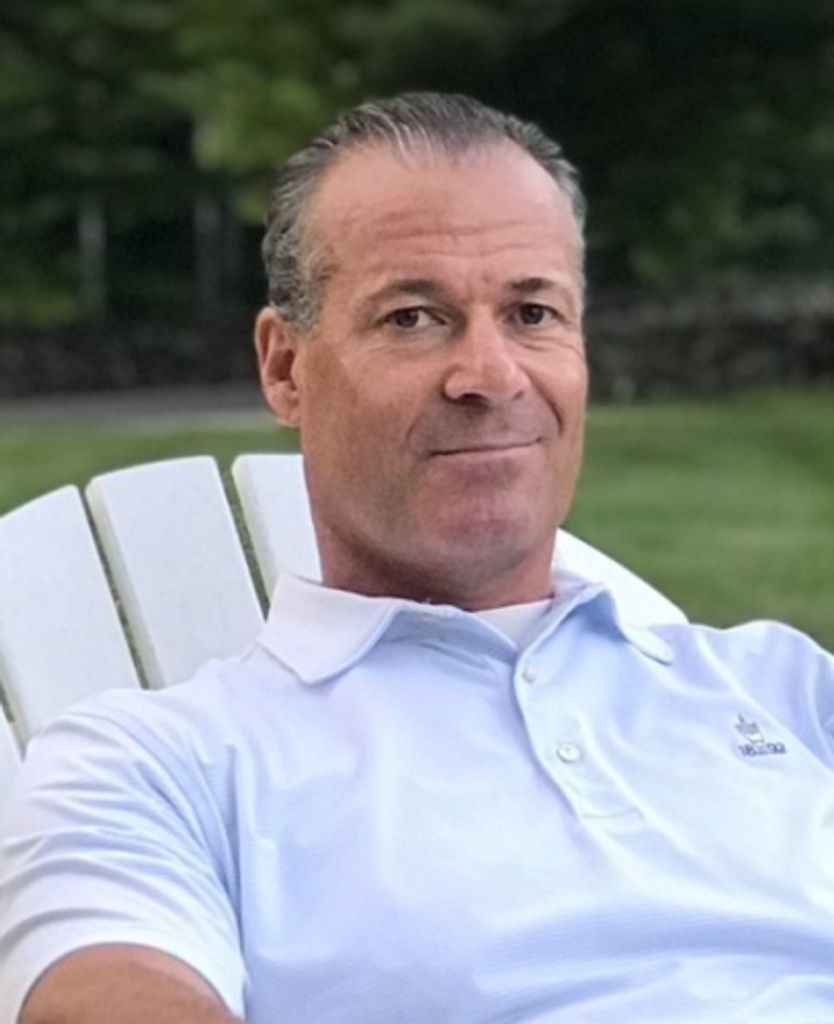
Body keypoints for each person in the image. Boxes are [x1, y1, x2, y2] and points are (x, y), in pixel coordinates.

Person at [1, 91, 834, 1024]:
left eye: (532, 312)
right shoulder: (158, 768)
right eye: (412, 318)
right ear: (285, 368)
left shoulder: (787, 692)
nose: (490, 376)